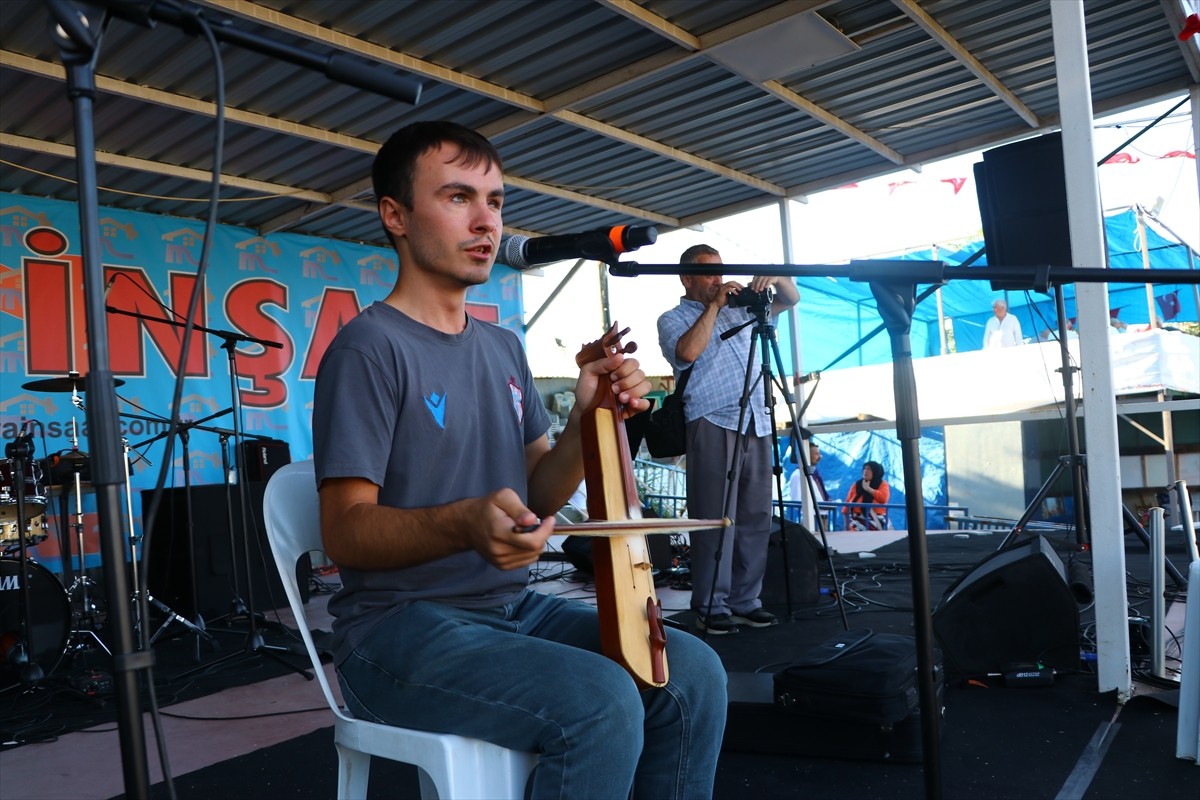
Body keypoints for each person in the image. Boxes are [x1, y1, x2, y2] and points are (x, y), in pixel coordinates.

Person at [312, 121, 727, 799]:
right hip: (396, 632)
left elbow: (538, 489)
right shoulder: (368, 347)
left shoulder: (503, 347)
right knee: (600, 699)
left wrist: (589, 416)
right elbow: (345, 531)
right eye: (457, 198)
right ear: (395, 216)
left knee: (692, 674)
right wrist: (462, 522)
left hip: (509, 612)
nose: (486, 222)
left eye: (496, 201)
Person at [657, 244, 800, 635]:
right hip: (711, 420)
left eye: (721, 271)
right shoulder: (673, 318)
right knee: (714, 518)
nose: (718, 279)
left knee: (755, 517)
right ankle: (710, 604)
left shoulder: (746, 308)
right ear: (686, 278)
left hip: (757, 418)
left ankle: (746, 600)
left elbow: (791, 297)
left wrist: (775, 274)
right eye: (708, 273)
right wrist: (715, 306)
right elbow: (686, 352)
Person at [843, 460, 891, 531]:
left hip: (877, 518)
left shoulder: (882, 484)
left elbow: (883, 498)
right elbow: (847, 504)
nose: (865, 471)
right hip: (857, 519)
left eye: (868, 469)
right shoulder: (857, 484)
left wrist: (868, 489)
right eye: (864, 468)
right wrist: (845, 525)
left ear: (875, 472)